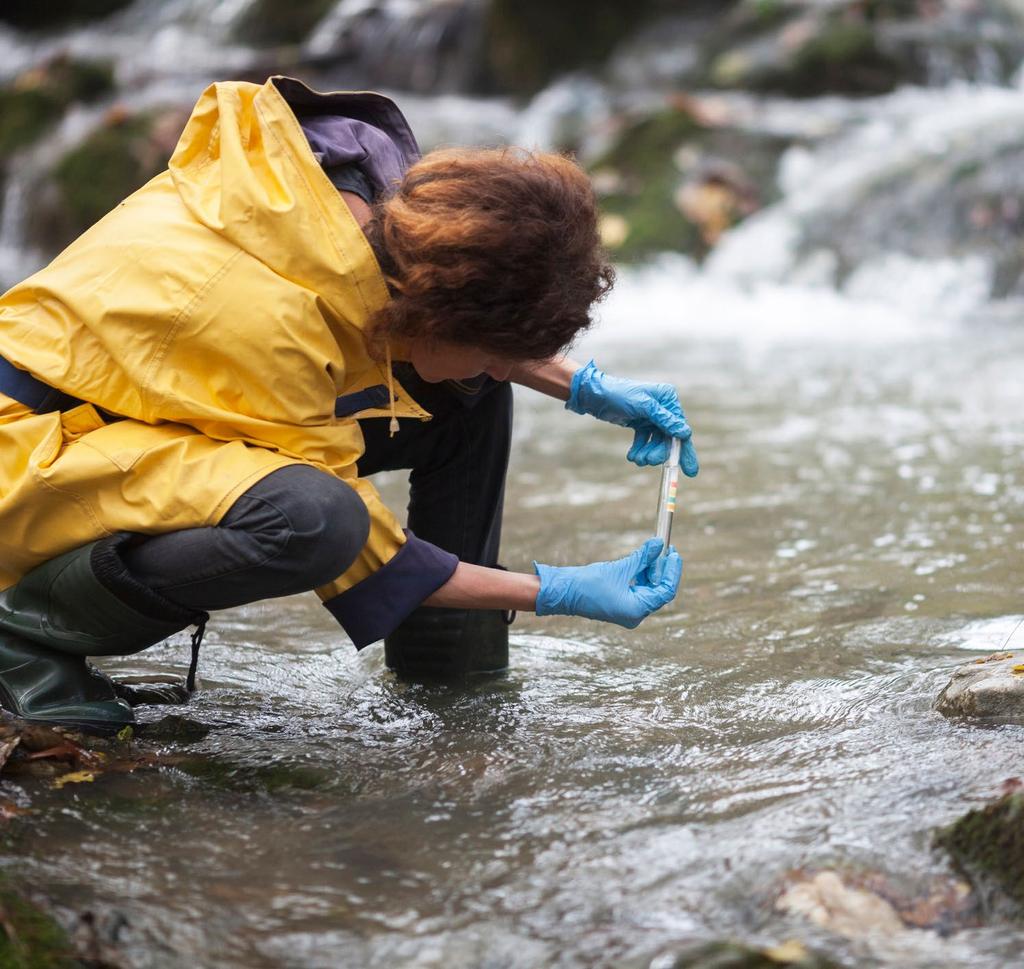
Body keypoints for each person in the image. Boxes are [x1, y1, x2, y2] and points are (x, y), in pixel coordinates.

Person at [0, 76, 697, 735]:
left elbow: (455, 340)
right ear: (437, 311)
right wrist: (555, 591)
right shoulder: (273, 321)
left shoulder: (377, 211)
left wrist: (583, 386)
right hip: (31, 447)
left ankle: (446, 672)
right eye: (487, 345)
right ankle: (21, 634)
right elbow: (367, 554)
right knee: (312, 520)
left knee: (470, 392)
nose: (498, 363)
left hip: (132, 404)